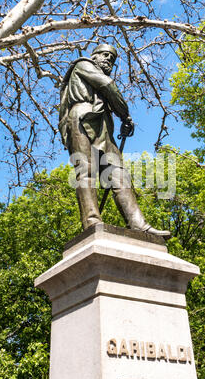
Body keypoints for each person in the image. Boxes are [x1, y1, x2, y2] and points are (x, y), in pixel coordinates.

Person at [59, 43, 170, 239]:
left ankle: (139, 224)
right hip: (81, 119)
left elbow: (107, 92)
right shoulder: (83, 65)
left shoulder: (98, 80)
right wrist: (125, 115)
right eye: (105, 55)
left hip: (103, 125)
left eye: (112, 58)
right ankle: (92, 222)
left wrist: (119, 117)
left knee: (119, 174)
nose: (109, 59)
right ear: (94, 56)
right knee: (87, 172)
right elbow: (108, 85)